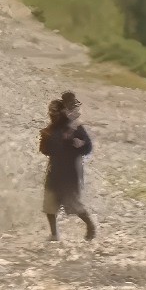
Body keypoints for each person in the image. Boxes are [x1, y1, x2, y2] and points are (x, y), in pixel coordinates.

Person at [39, 98, 96, 241]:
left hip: (70, 173)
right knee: (49, 205)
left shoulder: (75, 128)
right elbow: (44, 150)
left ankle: (90, 226)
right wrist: (48, 140)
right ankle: (54, 234)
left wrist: (80, 144)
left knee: (73, 203)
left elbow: (88, 147)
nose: (53, 116)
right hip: (54, 172)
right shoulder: (49, 130)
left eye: (56, 113)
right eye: (51, 113)